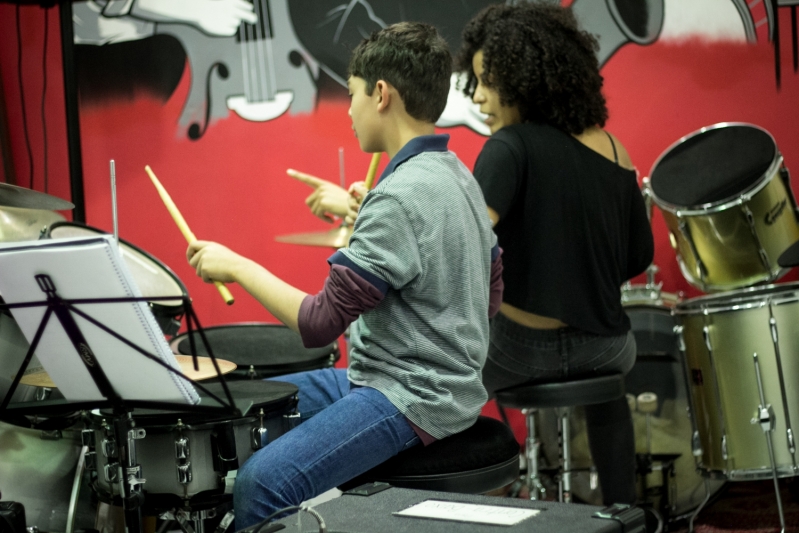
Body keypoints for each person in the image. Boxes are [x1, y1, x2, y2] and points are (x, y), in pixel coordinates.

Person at [187, 21, 502, 527]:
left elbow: (317, 323)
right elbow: (490, 288)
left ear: (381, 94)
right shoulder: (457, 174)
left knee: (261, 483)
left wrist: (238, 266)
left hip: (409, 398)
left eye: (351, 94)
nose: (350, 111)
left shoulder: (399, 196)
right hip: (414, 382)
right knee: (239, 411)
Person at [453, 3, 654, 505]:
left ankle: (468, 504)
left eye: (486, 81)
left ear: (524, 78)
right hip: (607, 347)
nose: (477, 97)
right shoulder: (614, 148)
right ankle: (623, 510)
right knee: (608, 396)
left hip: (518, 352)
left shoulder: (507, 147)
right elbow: (638, 258)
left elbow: (466, 250)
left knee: (445, 382)